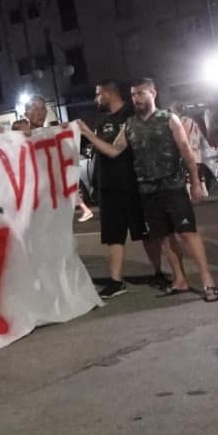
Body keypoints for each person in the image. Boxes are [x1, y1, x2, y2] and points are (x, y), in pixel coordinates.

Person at [126, 79, 218, 300]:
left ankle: (207, 279)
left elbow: (186, 151)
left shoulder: (169, 119)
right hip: (148, 190)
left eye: (140, 93)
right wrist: (82, 132)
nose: (136, 98)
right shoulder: (130, 124)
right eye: (133, 95)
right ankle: (180, 279)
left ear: (153, 93)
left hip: (173, 186)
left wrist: (195, 182)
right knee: (164, 236)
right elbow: (114, 149)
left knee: (187, 233)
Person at [73, 83, 147, 299]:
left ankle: (160, 272)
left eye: (97, 94)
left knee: (147, 232)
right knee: (114, 235)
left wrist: (87, 133)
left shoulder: (131, 116)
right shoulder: (101, 119)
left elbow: (114, 150)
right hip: (108, 186)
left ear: (107, 93)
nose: (96, 99)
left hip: (132, 183)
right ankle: (116, 281)